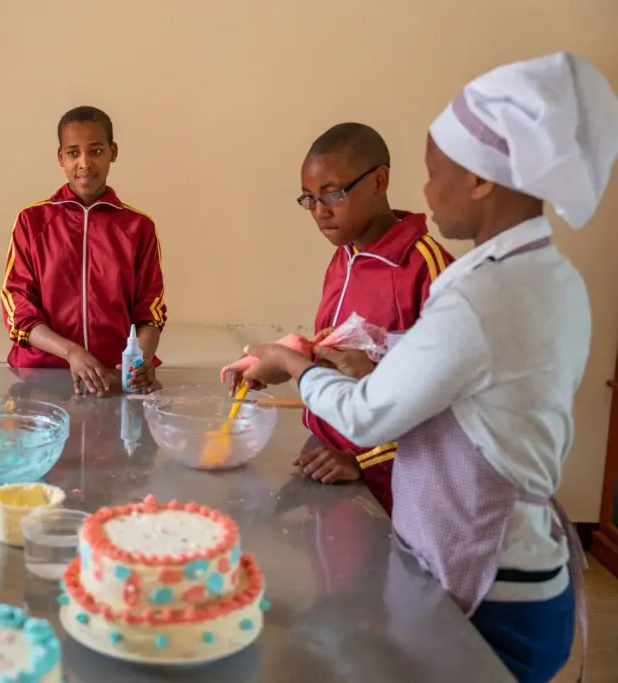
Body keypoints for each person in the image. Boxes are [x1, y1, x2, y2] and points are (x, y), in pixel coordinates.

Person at [234, 52, 618, 682]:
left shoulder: (479, 292)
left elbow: (371, 413)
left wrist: (290, 363)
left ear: (484, 180)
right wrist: (351, 363)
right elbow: (464, 393)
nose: (429, 191)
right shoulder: (550, 277)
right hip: (524, 570)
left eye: (437, 172)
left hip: (491, 584)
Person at [228, 123, 454, 514]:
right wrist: (293, 361)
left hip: (389, 490)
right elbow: (347, 355)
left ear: (379, 180)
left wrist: (363, 462)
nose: (320, 211)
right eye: (309, 199)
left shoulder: (427, 269)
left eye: (333, 194)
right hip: (326, 462)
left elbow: (446, 404)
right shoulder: (344, 257)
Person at [0, 106, 166, 397]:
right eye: (74, 153)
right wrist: (72, 352)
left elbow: (150, 310)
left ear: (113, 152)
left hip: (114, 379)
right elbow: (18, 307)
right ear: (60, 157)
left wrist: (138, 363)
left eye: (96, 151)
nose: (85, 163)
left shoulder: (139, 227)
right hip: (42, 379)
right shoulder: (32, 222)